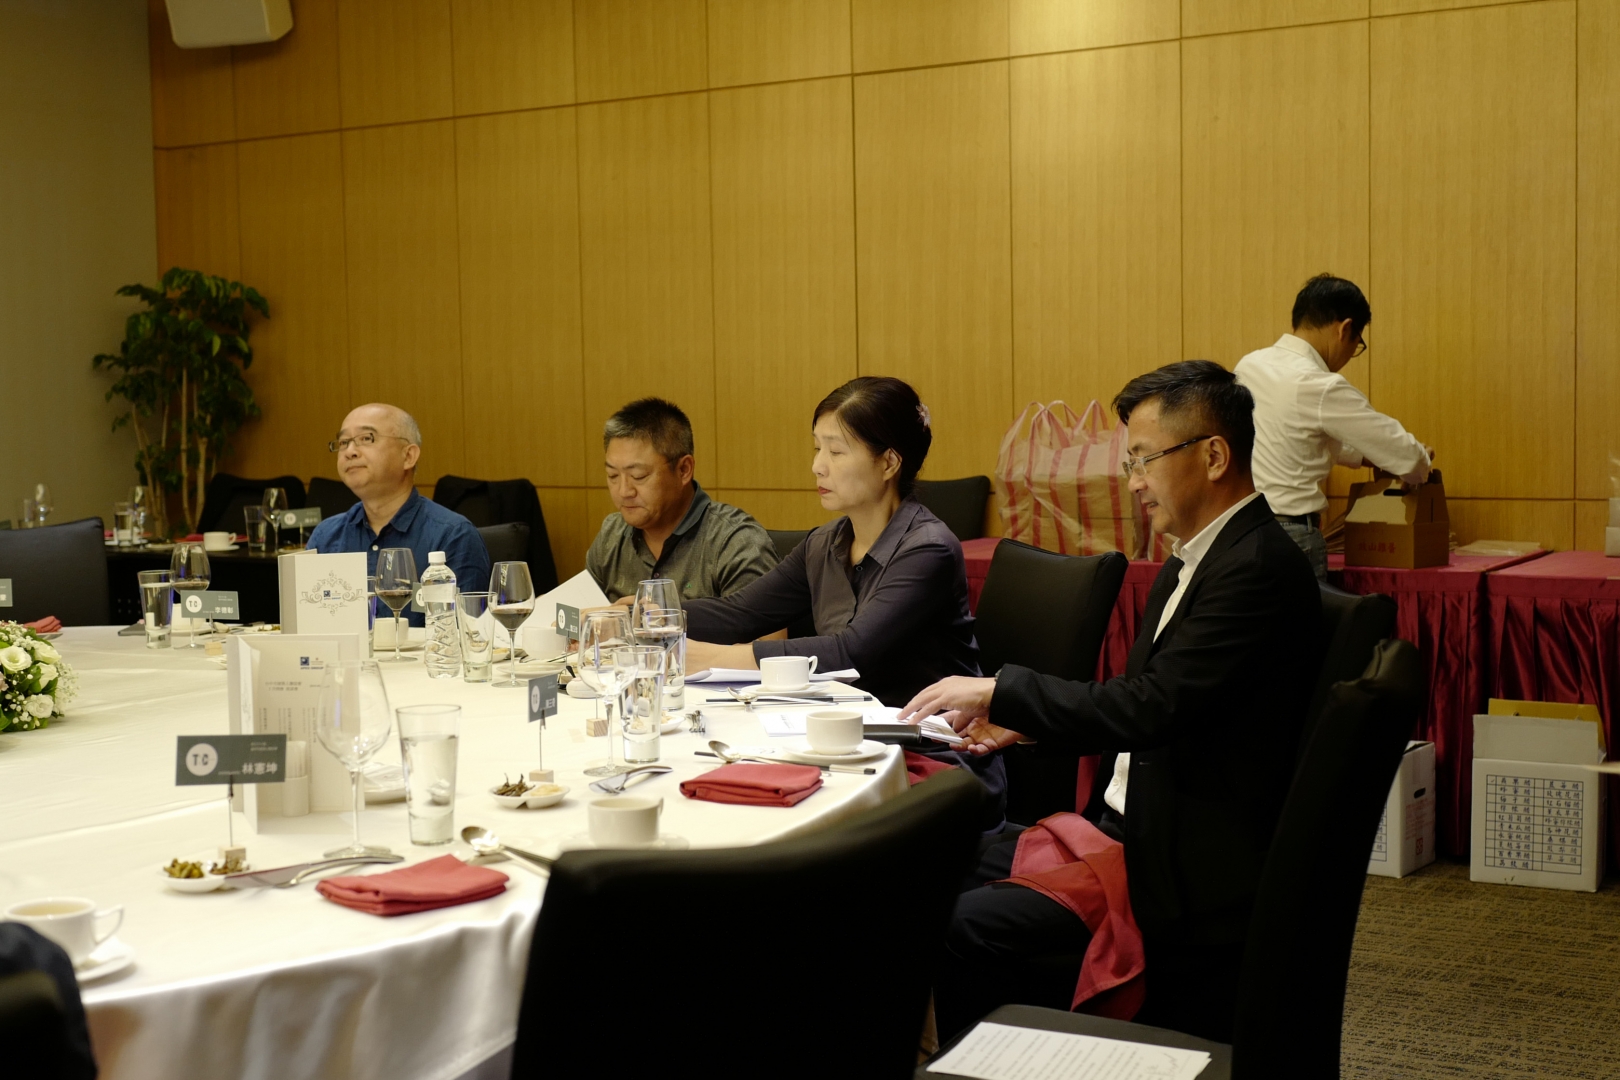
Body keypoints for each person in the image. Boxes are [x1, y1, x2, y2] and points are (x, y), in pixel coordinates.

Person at [901, 360, 1321, 1042]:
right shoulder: (1197, 557)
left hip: (1175, 864)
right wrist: (1023, 724)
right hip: (1131, 829)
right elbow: (1151, 706)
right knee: (916, 864)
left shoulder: (1257, 570)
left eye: (1144, 460)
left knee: (959, 926)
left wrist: (1001, 689)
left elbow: (1151, 707)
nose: (1133, 483)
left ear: (1214, 456)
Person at [682, 377, 1003, 817]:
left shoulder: (927, 548)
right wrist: (645, 615)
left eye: (835, 451)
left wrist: (710, 659)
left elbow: (851, 651)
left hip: (933, 760)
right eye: (817, 448)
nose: (817, 466)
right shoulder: (825, 543)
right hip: (847, 745)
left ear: (888, 462)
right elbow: (741, 614)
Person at [1234, 273, 1432, 580]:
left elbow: (1297, 437)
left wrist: (1366, 456)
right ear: (1345, 329)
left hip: (1241, 533)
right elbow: (1408, 458)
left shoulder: (1248, 366)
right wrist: (1420, 463)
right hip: (1292, 538)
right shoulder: (1320, 385)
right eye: (1357, 344)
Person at [306, 404, 490, 625]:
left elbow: (465, 632)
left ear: (408, 456)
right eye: (344, 442)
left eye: (366, 438)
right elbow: (310, 626)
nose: (350, 451)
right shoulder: (326, 537)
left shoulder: (452, 535)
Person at [586, 398, 777, 603]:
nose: (624, 491)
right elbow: (577, 615)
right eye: (613, 476)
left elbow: (764, 625)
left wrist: (659, 618)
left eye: (638, 476)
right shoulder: (611, 535)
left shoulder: (735, 541)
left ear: (684, 470)